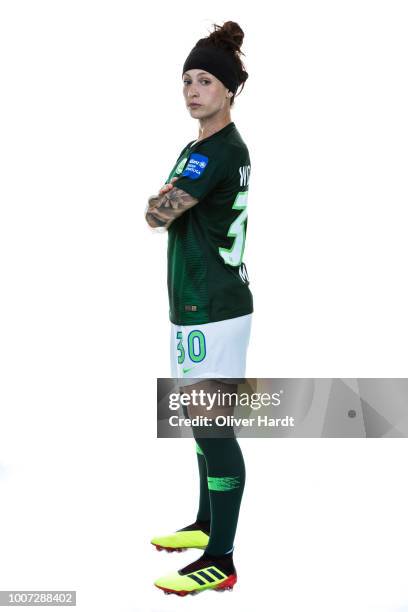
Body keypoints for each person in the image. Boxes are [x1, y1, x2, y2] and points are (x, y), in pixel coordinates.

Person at [145, 20, 253, 596]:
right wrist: (165, 202)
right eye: (187, 78)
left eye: (206, 79)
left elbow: (158, 213)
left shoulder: (215, 152)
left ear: (230, 89)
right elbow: (168, 207)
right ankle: (207, 522)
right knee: (198, 420)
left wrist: (160, 202)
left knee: (213, 428)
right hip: (198, 302)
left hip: (212, 307)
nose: (192, 88)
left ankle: (223, 557)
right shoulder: (204, 147)